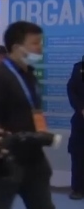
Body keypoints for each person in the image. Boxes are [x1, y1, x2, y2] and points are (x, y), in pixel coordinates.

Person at [0, 21, 55, 209]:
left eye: (40, 43)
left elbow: (34, 110)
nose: (39, 48)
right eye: (34, 43)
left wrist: (41, 133)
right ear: (17, 47)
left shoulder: (30, 76)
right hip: (6, 160)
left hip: (34, 158)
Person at [68, 56, 84, 199]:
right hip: (81, 119)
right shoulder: (78, 67)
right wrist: (80, 108)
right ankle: (77, 189)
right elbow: (71, 89)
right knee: (78, 153)